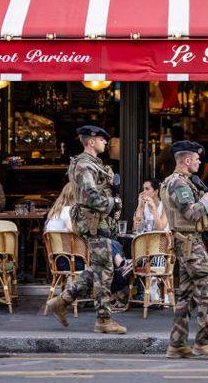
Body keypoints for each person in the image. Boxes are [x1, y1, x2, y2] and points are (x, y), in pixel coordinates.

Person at [45, 125, 127, 334]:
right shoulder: (84, 165)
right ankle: (103, 319)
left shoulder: (92, 164)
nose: (105, 142)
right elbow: (90, 196)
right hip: (91, 222)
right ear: (91, 141)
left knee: (101, 267)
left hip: (96, 222)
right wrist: (113, 203)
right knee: (105, 269)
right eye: (102, 139)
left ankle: (62, 301)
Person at [161, 140, 208, 359]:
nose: (199, 162)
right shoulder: (178, 183)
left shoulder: (182, 182)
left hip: (188, 242)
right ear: (187, 160)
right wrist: (206, 200)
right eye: (197, 159)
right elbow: (191, 214)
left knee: (186, 296)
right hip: (189, 243)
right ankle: (203, 342)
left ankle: (177, 344)